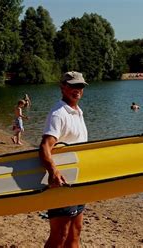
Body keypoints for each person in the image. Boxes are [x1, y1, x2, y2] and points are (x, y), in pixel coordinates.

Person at [39, 71, 89, 247]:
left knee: (76, 232)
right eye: (73, 86)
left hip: (78, 181)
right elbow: (45, 146)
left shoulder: (77, 111)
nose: (77, 89)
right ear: (63, 87)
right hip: (62, 183)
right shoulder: (58, 113)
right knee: (60, 234)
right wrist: (53, 172)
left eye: (80, 86)